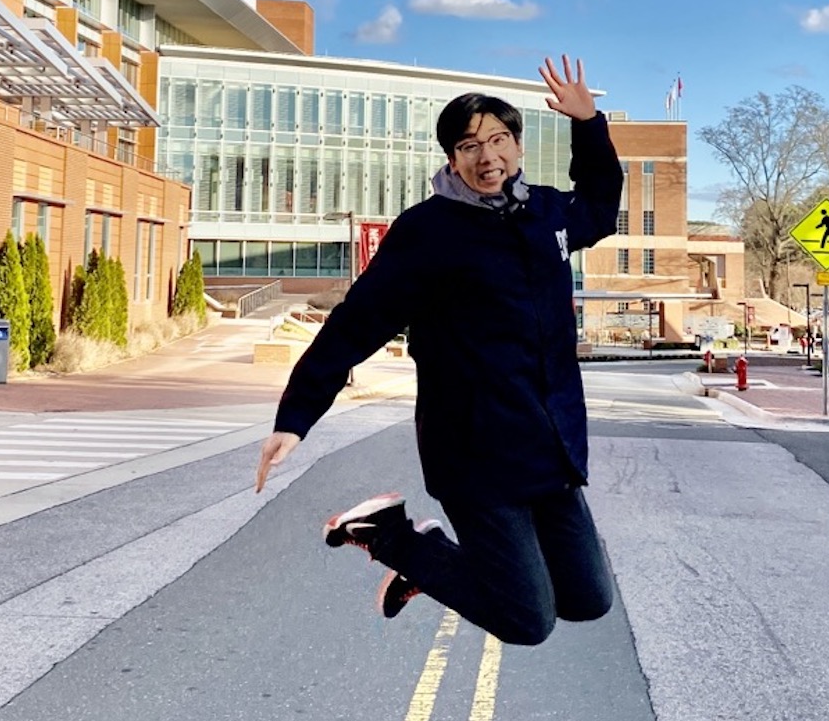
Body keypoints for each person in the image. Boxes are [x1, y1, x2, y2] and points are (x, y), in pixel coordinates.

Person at [254, 55, 622, 646]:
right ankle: (389, 536)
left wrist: (588, 122)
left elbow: (601, 205)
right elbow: (360, 320)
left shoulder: (547, 215)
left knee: (588, 602)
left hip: (550, 448)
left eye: (499, 139)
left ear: (519, 148)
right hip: (475, 452)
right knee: (527, 621)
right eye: (470, 145)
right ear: (452, 158)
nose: (487, 156)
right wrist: (297, 415)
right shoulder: (428, 231)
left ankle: (427, 562)